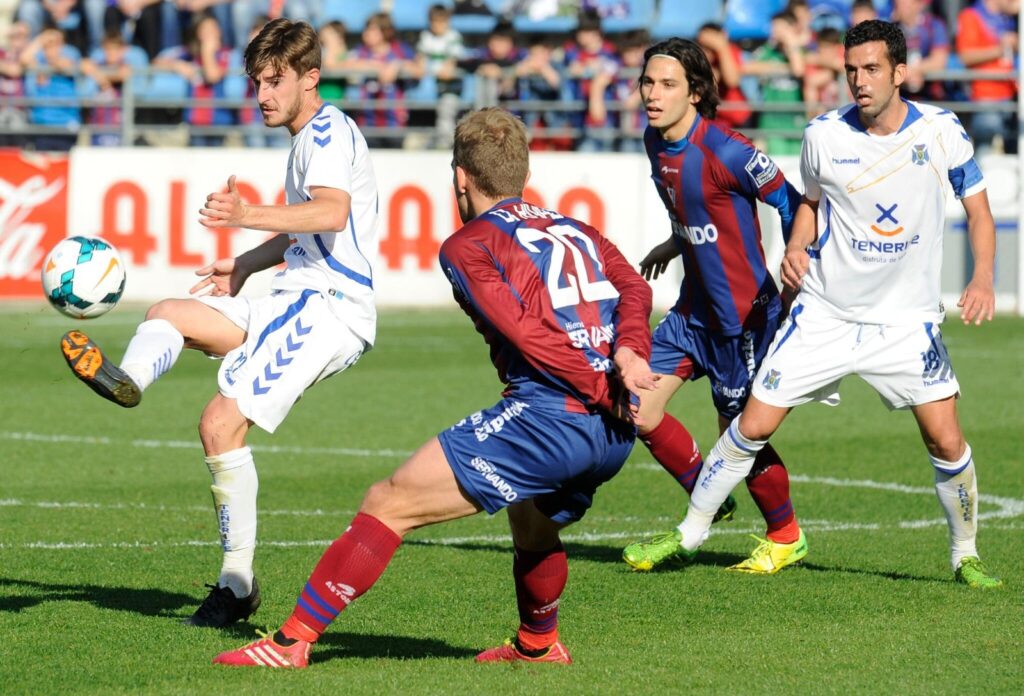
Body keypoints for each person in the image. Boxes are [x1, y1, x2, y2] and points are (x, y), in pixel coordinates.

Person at [210, 106, 658, 669]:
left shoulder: (468, 246)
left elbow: (527, 333)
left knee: (389, 501)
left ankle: (290, 642)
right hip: (612, 424)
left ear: (461, 178)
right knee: (530, 514)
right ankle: (539, 644)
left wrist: (597, 382)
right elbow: (635, 289)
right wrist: (628, 351)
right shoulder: (575, 227)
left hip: (558, 414)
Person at [60, 17, 382, 626]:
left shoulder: (328, 130)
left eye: (274, 81)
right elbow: (305, 229)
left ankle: (236, 585)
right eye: (256, 81)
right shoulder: (308, 136)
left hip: (329, 307)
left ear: (311, 79)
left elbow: (333, 214)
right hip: (294, 293)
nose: (262, 94)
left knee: (219, 424)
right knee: (168, 314)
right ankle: (126, 379)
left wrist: (246, 217)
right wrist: (246, 264)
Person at [662, 20, 1003, 589]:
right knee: (752, 424)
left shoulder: (942, 131)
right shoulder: (823, 135)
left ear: (899, 72)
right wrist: (797, 245)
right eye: (850, 71)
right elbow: (809, 205)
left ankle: (964, 553)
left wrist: (984, 276)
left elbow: (980, 212)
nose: (859, 82)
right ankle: (688, 534)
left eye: (871, 70)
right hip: (826, 312)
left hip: (906, 320)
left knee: (945, 438)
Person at [619, 38, 807, 575]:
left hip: (740, 320)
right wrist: (674, 241)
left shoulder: (727, 149)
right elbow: (697, 216)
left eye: (667, 84)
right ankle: (711, 494)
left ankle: (786, 536)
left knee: (740, 435)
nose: (652, 95)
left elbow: (790, 202)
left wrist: (797, 258)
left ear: (696, 93)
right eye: (648, 83)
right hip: (690, 312)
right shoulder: (654, 142)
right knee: (635, 404)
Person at [955, 0, 1018, 155]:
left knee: (1014, 154)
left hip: (1012, 96)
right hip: (986, 98)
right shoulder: (971, 16)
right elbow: (966, 56)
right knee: (985, 154)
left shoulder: (1008, 18)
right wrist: (1001, 48)